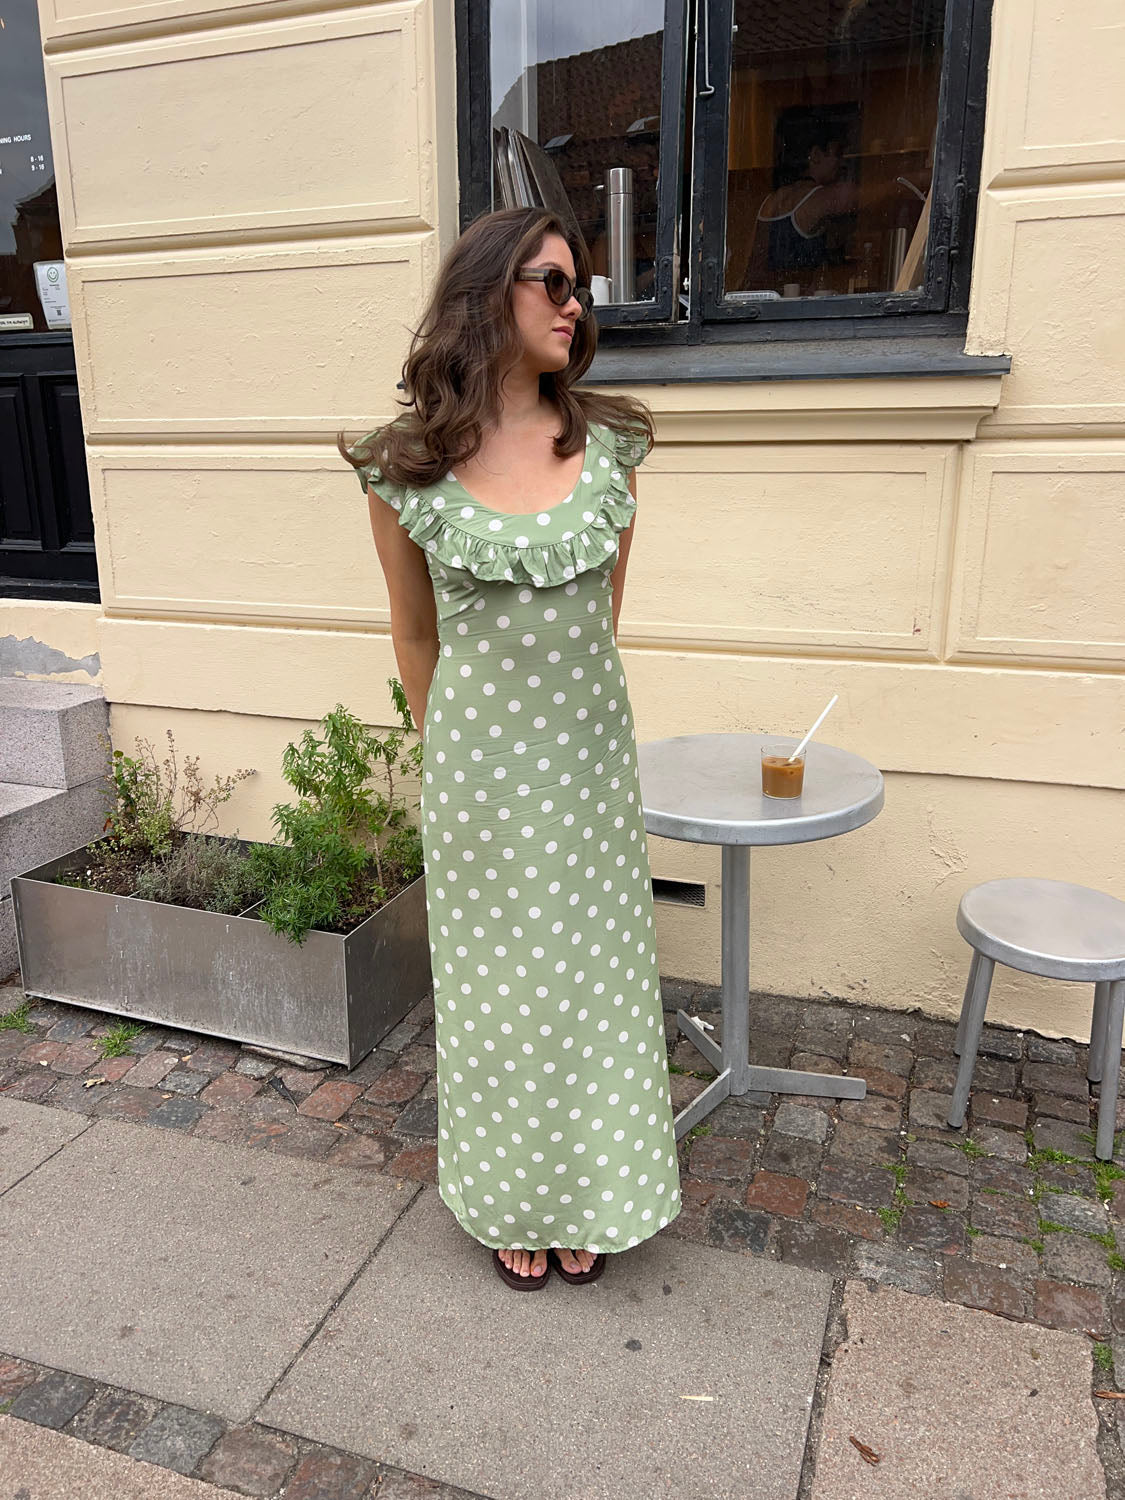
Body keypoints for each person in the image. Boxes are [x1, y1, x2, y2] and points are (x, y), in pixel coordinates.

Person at [338, 207, 682, 1290]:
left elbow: (600, 620)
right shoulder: (405, 467)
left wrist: (564, 734)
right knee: (500, 994)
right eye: (553, 282)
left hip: (585, 767)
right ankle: (511, 1198)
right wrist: (454, 751)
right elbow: (414, 635)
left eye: (581, 287)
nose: (575, 305)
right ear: (488, 292)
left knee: (592, 986)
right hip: (480, 777)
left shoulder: (612, 447)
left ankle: (595, 1193)